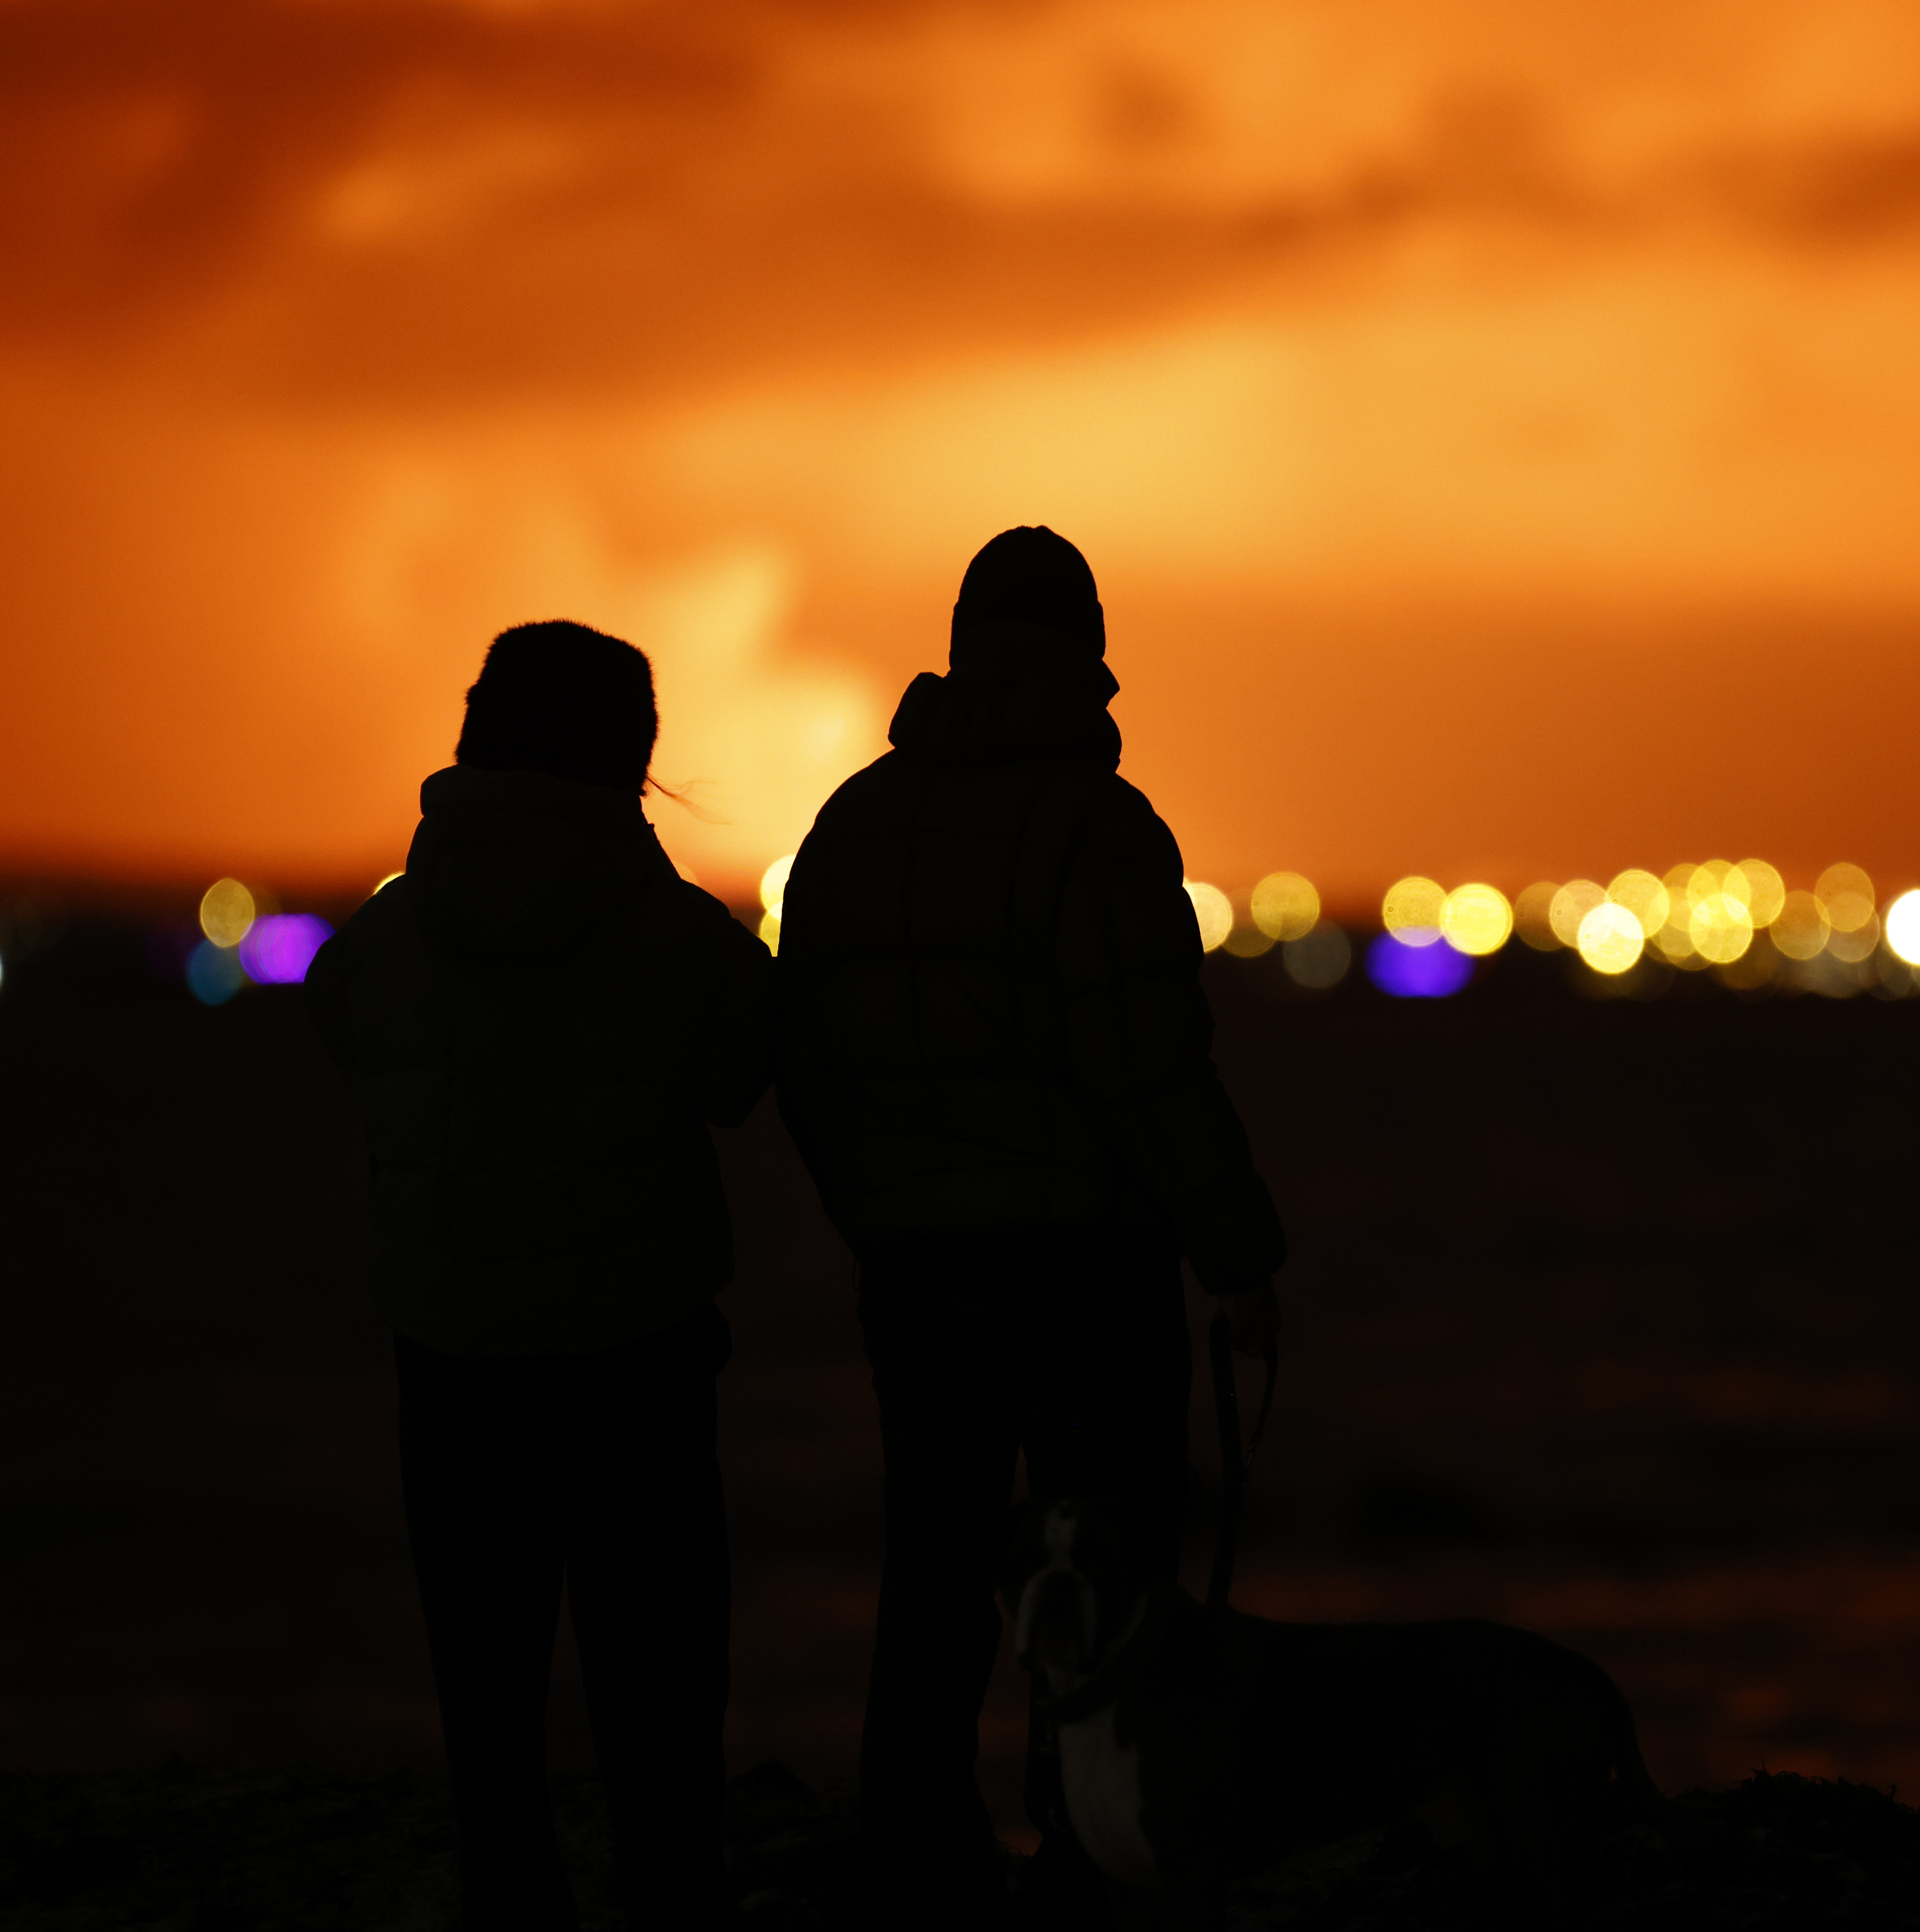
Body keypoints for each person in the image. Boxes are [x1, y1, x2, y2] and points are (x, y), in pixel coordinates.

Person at [776, 526, 1286, 1920]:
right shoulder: (1099, 829)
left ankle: (915, 1837)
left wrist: (874, 1215)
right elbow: (1149, 1067)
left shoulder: (849, 825)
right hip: (1083, 1262)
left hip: (915, 1266)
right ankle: (1086, 1844)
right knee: (1113, 1563)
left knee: (935, 1550)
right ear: (1089, 663)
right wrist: (1239, 1258)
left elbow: (803, 1064)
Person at [307, 621, 772, 1932]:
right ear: (627, 756)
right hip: (635, 1362)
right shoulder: (673, 936)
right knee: (661, 1703)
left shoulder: (384, 946)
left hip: (447, 1362)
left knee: (487, 1715)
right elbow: (746, 1069)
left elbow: (340, 1022)